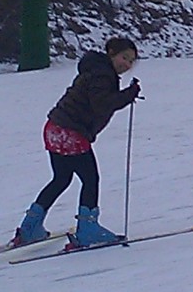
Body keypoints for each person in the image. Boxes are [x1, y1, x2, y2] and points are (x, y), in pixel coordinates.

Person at [13, 37, 141, 248]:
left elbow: (99, 100)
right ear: (111, 53)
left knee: (61, 178)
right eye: (124, 57)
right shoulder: (103, 75)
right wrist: (128, 95)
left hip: (54, 128)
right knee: (90, 179)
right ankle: (87, 230)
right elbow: (102, 104)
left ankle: (30, 228)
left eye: (131, 61)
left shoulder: (95, 69)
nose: (126, 64)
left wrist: (124, 95)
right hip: (71, 133)